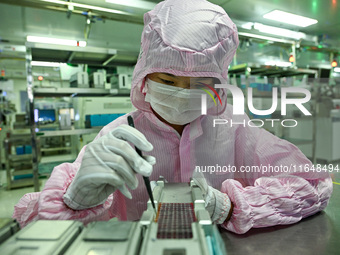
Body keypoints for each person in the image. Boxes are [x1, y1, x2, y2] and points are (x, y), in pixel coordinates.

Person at [13, 0, 332, 234]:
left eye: (198, 84)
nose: (181, 93)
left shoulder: (233, 130)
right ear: (145, 78)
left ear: (217, 84)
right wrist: (75, 201)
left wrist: (229, 206)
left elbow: (313, 187)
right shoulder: (118, 135)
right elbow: (40, 228)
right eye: (168, 80)